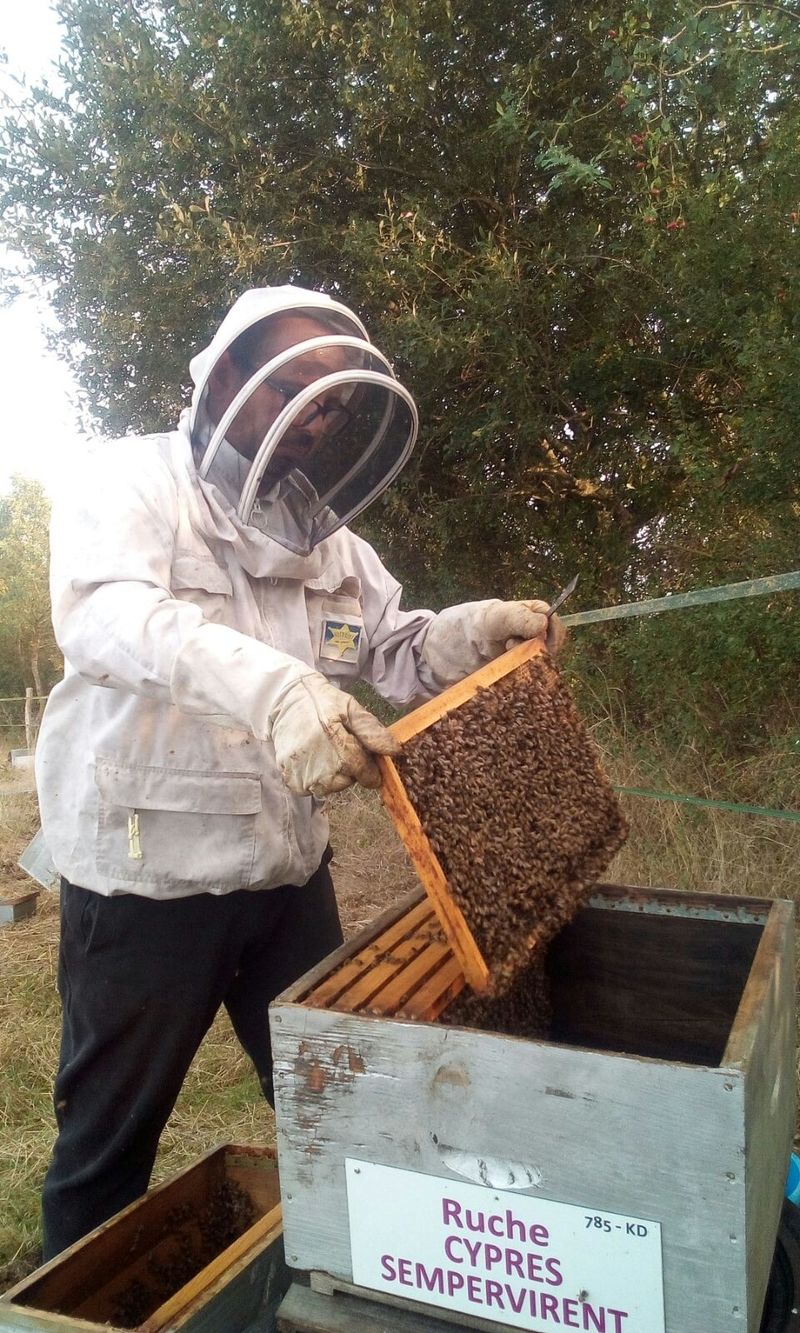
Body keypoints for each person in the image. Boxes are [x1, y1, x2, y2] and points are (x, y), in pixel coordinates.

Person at [35, 285, 564, 1258]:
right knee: (110, 1137)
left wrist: (471, 628)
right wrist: (274, 691)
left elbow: (397, 647)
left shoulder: (328, 542)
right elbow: (109, 618)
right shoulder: (130, 485)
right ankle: (71, 1293)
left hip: (285, 875)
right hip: (148, 876)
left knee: (337, 1099)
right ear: (226, 374)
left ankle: (349, 1279)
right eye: (295, 384)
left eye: (331, 399)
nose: (315, 413)